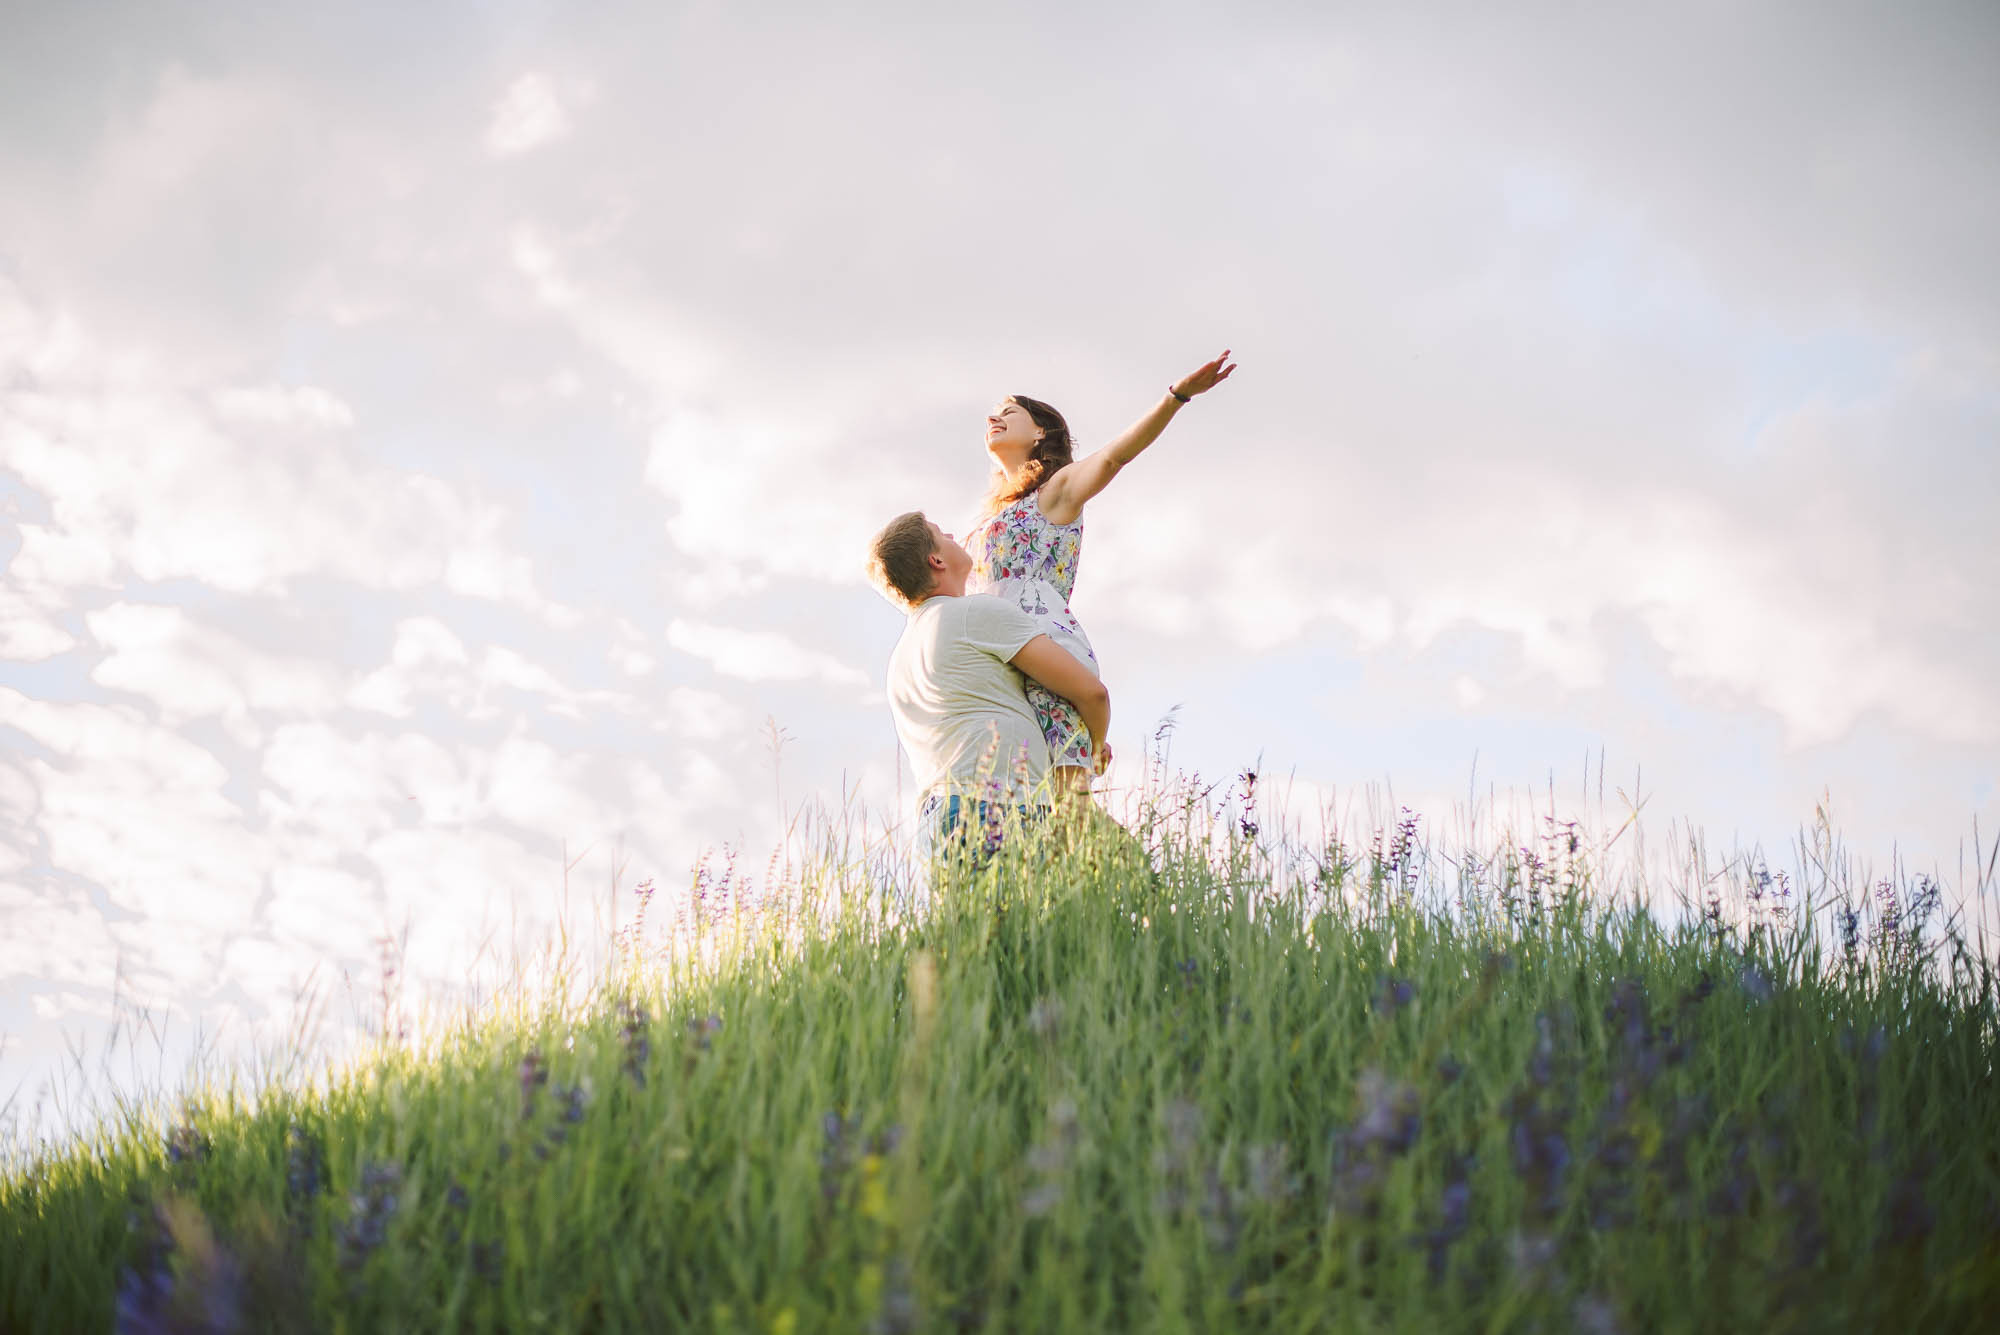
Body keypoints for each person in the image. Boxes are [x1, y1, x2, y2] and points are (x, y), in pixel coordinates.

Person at [967, 350, 1237, 806]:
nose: (995, 419)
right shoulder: (988, 519)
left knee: (1070, 810)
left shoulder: (1055, 492)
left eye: (1009, 413)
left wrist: (1175, 397)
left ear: (1040, 432)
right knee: (1018, 811)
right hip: (999, 663)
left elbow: (1113, 458)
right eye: (993, 414)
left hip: (1044, 658)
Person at [866, 510, 1110, 847]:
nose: (952, 536)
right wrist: (1093, 749)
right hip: (996, 805)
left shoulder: (899, 660)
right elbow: (1091, 693)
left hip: (934, 823)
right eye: (941, 534)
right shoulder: (974, 613)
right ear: (936, 560)